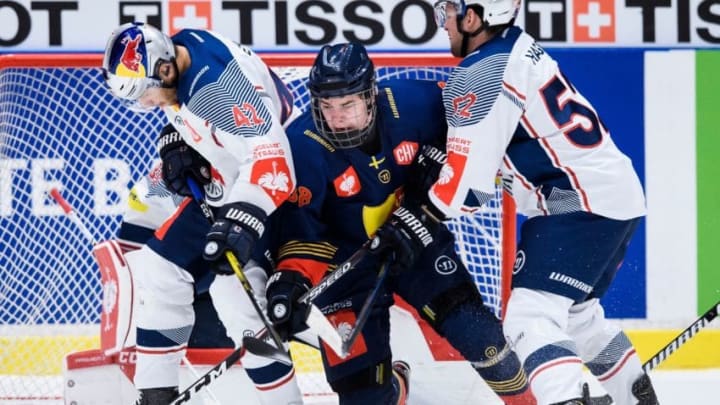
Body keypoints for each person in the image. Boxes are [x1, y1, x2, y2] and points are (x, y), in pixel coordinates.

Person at [370, 1, 659, 404]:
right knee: (579, 316)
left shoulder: (480, 73)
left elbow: (468, 190)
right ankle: (637, 397)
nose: (443, 23)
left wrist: (418, 216)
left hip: (579, 203)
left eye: (449, 11)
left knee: (530, 316)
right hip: (609, 194)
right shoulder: (515, 47)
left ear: (474, 17)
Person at [263, 42, 536, 405]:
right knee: (365, 398)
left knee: (483, 339)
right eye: (326, 106)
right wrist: (292, 284)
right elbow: (301, 231)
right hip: (346, 272)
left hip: (415, 242)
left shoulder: (415, 104)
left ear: (370, 95)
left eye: (347, 104)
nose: (336, 117)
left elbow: (480, 138)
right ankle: (396, 385)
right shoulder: (302, 146)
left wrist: (440, 169)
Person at [101, 22, 301, 404]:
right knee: (159, 268)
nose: (144, 104)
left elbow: (277, 164)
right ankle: (155, 395)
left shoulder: (216, 89)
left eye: (146, 93)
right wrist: (184, 139)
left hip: (272, 198)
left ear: (164, 70)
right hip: (228, 185)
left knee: (236, 298)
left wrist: (240, 219)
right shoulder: (179, 51)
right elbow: (216, 125)